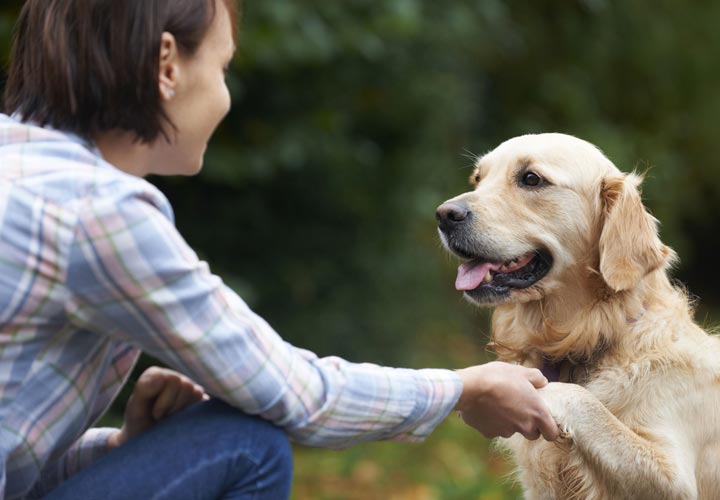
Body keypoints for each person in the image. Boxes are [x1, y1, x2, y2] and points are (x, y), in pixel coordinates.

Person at [0, 0, 560, 498]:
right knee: (245, 442)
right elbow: (297, 394)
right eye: (221, 68)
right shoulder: (98, 212)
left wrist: (126, 446)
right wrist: (463, 388)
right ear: (167, 64)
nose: (224, 96)